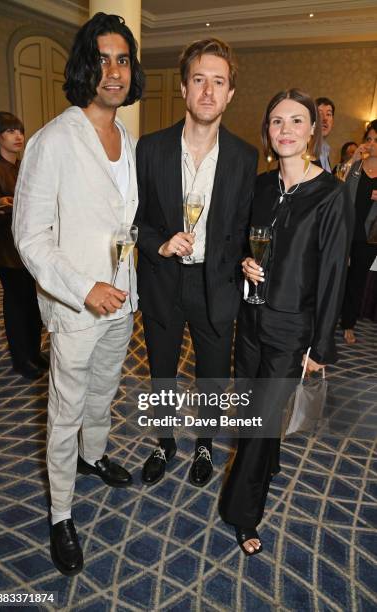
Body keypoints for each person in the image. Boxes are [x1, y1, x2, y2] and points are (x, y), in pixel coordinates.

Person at [13, 12, 144, 576]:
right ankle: (60, 511)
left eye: (123, 59)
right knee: (65, 408)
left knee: (104, 390)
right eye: (103, 59)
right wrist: (82, 287)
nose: (113, 71)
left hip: (123, 299)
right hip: (76, 305)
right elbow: (29, 237)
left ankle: (94, 459)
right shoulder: (53, 140)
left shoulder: (130, 141)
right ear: (84, 67)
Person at [219, 89, 353, 557]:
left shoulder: (331, 195)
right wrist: (244, 264)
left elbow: (336, 273)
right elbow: (241, 242)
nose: (286, 130)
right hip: (251, 319)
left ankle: (241, 512)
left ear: (313, 129)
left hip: (293, 329)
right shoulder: (260, 185)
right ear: (267, 131)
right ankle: (268, 460)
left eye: (297, 121)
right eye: (277, 122)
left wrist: (321, 347)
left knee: (256, 422)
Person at [136, 38, 258, 488]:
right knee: (161, 372)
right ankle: (163, 441)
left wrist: (249, 259)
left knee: (212, 376)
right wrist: (161, 244)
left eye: (218, 82)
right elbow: (134, 220)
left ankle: (205, 442)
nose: (208, 91)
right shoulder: (149, 149)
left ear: (229, 94)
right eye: (199, 80)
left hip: (217, 286)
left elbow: (247, 227)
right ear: (185, 88)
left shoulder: (245, 158)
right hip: (164, 280)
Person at [0, 112, 46, 380]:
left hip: (32, 244)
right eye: (9, 131)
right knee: (16, 306)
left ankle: (34, 351)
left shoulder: (24, 165)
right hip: (9, 248)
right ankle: (20, 359)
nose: (18, 136)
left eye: (19, 130)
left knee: (34, 303)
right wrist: (9, 202)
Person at [341, 120, 377, 344]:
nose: (372, 144)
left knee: (357, 279)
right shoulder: (356, 166)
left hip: (369, 236)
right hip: (345, 229)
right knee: (337, 275)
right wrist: (353, 159)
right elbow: (337, 186)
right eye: (370, 139)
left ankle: (348, 324)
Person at [315, 96, 335, 172]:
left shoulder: (325, 149)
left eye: (328, 114)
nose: (325, 119)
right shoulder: (302, 148)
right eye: (319, 114)